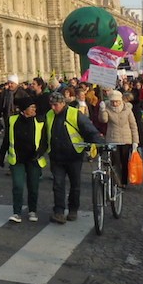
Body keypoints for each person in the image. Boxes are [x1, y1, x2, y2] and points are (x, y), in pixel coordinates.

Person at [45, 91, 103, 224]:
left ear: (63, 103)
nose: (53, 108)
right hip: (56, 156)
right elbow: (44, 134)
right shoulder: (49, 115)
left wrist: (98, 144)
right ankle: (58, 212)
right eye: (51, 105)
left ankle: (73, 209)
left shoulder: (75, 114)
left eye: (55, 105)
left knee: (75, 185)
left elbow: (90, 130)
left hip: (74, 156)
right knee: (58, 185)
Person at [0, 98, 48, 223]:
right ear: (24, 109)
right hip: (18, 159)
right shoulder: (12, 120)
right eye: (31, 107)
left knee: (33, 186)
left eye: (34, 107)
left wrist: (39, 153)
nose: (34, 109)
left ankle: (32, 210)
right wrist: (1, 155)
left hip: (33, 159)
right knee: (18, 186)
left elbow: (44, 141)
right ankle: (17, 213)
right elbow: (6, 139)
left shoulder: (39, 121)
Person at [97, 89, 140, 187]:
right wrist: (102, 110)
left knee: (124, 162)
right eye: (113, 102)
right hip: (113, 139)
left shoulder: (127, 109)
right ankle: (116, 181)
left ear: (120, 101)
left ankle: (124, 182)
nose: (115, 104)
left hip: (126, 140)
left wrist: (135, 141)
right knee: (115, 162)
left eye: (117, 101)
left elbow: (133, 125)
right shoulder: (107, 107)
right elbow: (104, 120)